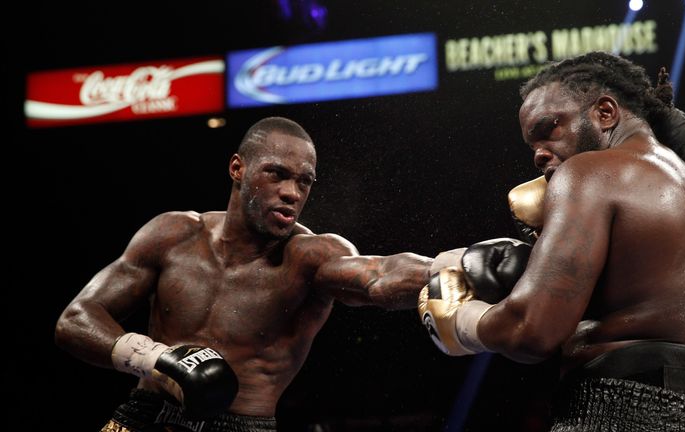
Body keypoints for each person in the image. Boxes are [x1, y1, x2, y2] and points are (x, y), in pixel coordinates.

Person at [419, 52, 685, 431]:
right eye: (531, 145)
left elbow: (533, 330)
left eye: (549, 130)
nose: (539, 154)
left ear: (605, 113)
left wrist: (462, 320)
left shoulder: (590, 172)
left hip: (620, 414)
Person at [54, 116, 434, 432]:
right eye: (277, 174)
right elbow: (75, 320)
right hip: (142, 414)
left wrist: (454, 267)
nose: (292, 193)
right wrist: (159, 359)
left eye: (304, 181)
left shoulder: (310, 256)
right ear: (238, 168)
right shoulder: (173, 235)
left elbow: (379, 275)